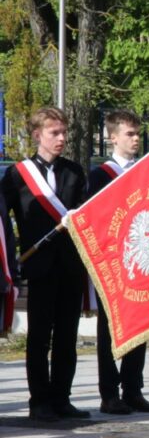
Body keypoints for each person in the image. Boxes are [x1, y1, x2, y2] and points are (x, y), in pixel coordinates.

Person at [2, 107, 88, 421]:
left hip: (70, 266)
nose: (62, 138)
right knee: (39, 336)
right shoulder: (16, 175)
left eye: (64, 132)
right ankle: (39, 401)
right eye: (55, 133)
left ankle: (62, 398)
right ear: (38, 135)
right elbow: (2, 218)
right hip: (38, 267)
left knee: (67, 335)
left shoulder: (74, 172)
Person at [90, 110, 149, 415]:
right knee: (109, 330)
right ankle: (109, 393)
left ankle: (133, 389)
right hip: (112, 264)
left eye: (137, 133)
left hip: (138, 261)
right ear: (113, 137)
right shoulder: (99, 175)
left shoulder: (144, 170)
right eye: (129, 134)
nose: (135, 139)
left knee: (140, 323)